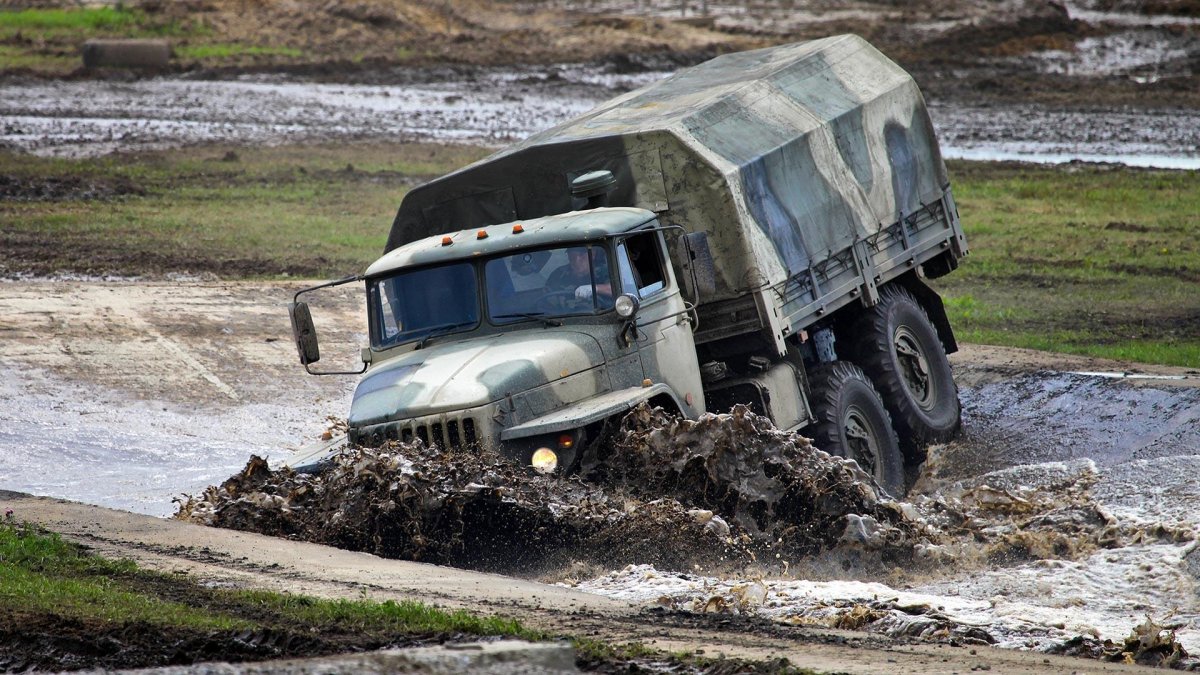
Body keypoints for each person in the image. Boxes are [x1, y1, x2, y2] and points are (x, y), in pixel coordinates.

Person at [545, 246, 612, 307]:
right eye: (572, 256)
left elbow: (617, 290)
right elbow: (545, 297)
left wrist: (595, 288)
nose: (577, 261)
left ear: (592, 254)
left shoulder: (604, 271)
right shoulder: (559, 274)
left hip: (600, 315)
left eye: (581, 255)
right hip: (562, 316)